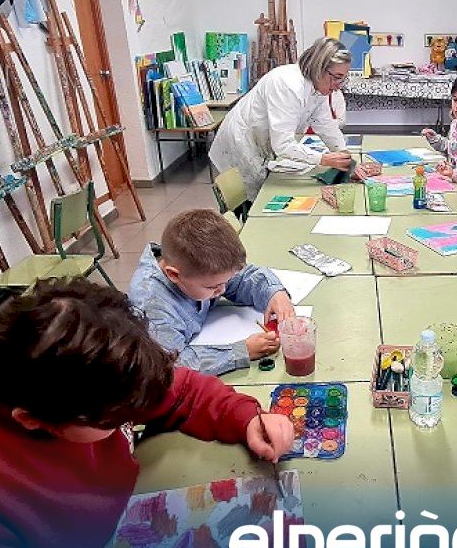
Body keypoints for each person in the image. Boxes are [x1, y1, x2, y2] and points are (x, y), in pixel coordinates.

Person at [0, 278, 295, 548]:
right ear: (31, 420)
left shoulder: (62, 366)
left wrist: (245, 418)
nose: (129, 417)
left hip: (113, 528)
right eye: (114, 420)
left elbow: (173, 389)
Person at [129, 209, 295, 377]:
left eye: (224, 282)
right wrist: (240, 351)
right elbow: (171, 365)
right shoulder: (151, 305)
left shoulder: (200, 272)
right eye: (213, 287)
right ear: (174, 275)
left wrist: (275, 294)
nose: (223, 290)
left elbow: (243, 278)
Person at [210, 37, 355, 199]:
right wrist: (323, 159)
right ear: (318, 67)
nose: (338, 85)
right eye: (337, 77)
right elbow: (283, 144)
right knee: (250, 201)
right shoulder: (288, 84)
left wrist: (346, 159)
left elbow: (326, 126)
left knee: (264, 193)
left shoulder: (318, 86)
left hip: (262, 143)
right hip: (241, 142)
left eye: (343, 78)